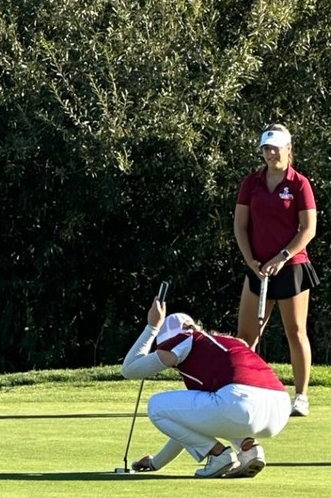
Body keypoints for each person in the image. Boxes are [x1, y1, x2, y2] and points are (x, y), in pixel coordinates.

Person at [121, 294, 291, 478]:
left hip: (239, 402)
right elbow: (189, 425)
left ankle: (219, 456)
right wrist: (156, 463)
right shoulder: (230, 343)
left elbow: (130, 369)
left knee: (155, 406)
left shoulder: (185, 339)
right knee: (222, 410)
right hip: (279, 410)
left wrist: (152, 326)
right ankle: (251, 450)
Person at [233, 123, 320, 417]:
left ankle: (301, 396)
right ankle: (245, 388)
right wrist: (250, 261)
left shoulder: (299, 184)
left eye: (275, 148)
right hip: (257, 268)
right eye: (265, 149)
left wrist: (282, 257)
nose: (270, 154)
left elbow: (308, 230)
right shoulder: (251, 183)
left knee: (295, 331)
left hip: (291, 265)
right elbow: (240, 226)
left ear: (288, 149)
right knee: (246, 335)